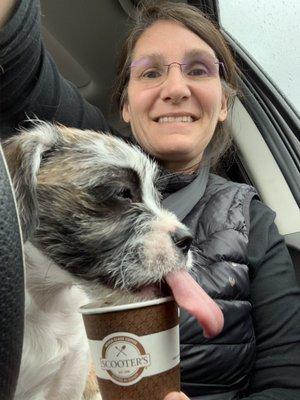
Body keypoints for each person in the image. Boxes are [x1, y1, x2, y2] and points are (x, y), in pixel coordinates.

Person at [1, 1, 300, 400]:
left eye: (198, 70)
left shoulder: (254, 218)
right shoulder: (89, 147)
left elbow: (286, 380)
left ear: (225, 103)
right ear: (125, 102)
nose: (176, 89)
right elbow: (19, 63)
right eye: (151, 72)